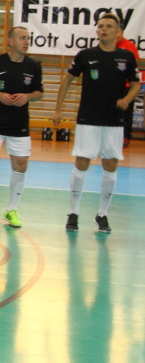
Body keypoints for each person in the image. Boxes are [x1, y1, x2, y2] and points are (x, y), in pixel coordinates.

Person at [53, 13, 139, 234]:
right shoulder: (86, 55)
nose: (104, 29)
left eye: (109, 26)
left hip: (114, 121)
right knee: (82, 163)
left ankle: (102, 214)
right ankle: (73, 212)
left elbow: (136, 85)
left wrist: (127, 100)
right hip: (88, 119)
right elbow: (67, 80)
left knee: (110, 165)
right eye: (101, 26)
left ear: (117, 32)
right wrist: (58, 109)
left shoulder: (126, 57)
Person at [0, 26, 44, 227]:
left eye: (28, 38)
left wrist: (27, 96)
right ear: (10, 41)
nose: (27, 41)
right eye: (22, 38)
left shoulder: (33, 66)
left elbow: (39, 92)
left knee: (21, 166)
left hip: (19, 124)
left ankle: (12, 209)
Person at [115, 26, 139, 147]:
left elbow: (134, 65)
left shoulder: (129, 45)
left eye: (118, 31)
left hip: (127, 85)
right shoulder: (108, 45)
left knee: (126, 112)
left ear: (122, 32)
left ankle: (125, 137)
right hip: (112, 85)